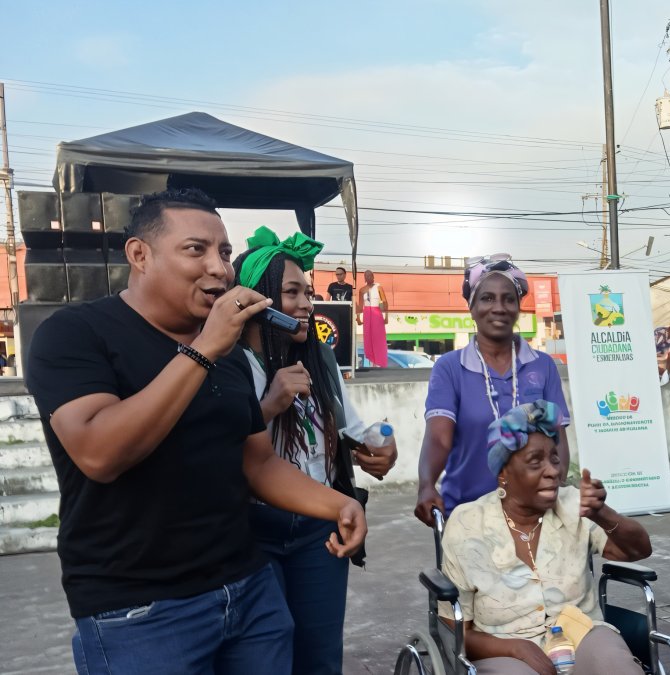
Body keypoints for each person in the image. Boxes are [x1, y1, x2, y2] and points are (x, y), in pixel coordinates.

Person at [24, 188, 366, 675]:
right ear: (140, 255)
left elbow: (257, 463)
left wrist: (338, 504)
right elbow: (99, 453)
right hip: (140, 610)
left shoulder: (228, 355)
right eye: (195, 249)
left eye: (224, 252)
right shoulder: (76, 334)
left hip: (249, 591)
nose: (219, 268)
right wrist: (203, 350)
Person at [233, 226, 398, 673]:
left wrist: (382, 445)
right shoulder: (233, 363)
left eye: (307, 292)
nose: (307, 304)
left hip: (319, 531)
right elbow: (229, 450)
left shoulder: (320, 358)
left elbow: (352, 428)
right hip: (254, 531)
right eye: (292, 293)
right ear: (258, 298)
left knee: (320, 658)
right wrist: (270, 404)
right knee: (267, 658)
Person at [440, 400, 650, 675]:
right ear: (503, 473)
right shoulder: (467, 525)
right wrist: (515, 648)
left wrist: (602, 514)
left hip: (582, 633)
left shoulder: (573, 503)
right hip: (503, 646)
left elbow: (638, 550)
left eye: (554, 458)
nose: (553, 471)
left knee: (615, 666)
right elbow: (453, 629)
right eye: (535, 461)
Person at [415, 254, 571, 525]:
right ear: (472, 307)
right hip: (467, 514)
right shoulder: (450, 368)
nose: (499, 307)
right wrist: (426, 485)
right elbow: (439, 439)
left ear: (518, 307)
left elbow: (558, 441)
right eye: (487, 298)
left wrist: (554, 487)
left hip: (534, 516)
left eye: (508, 299)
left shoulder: (543, 365)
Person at [357, 270, 388, 368]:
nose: (368, 277)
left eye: (370, 276)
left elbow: (385, 302)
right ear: (364, 278)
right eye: (366, 276)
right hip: (366, 313)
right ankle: (372, 361)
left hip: (376, 312)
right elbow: (360, 306)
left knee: (378, 337)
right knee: (368, 337)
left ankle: (380, 361)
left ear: (373, 276)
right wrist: (358, 318)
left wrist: (386, 317)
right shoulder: (362, 290)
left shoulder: (379, 288)